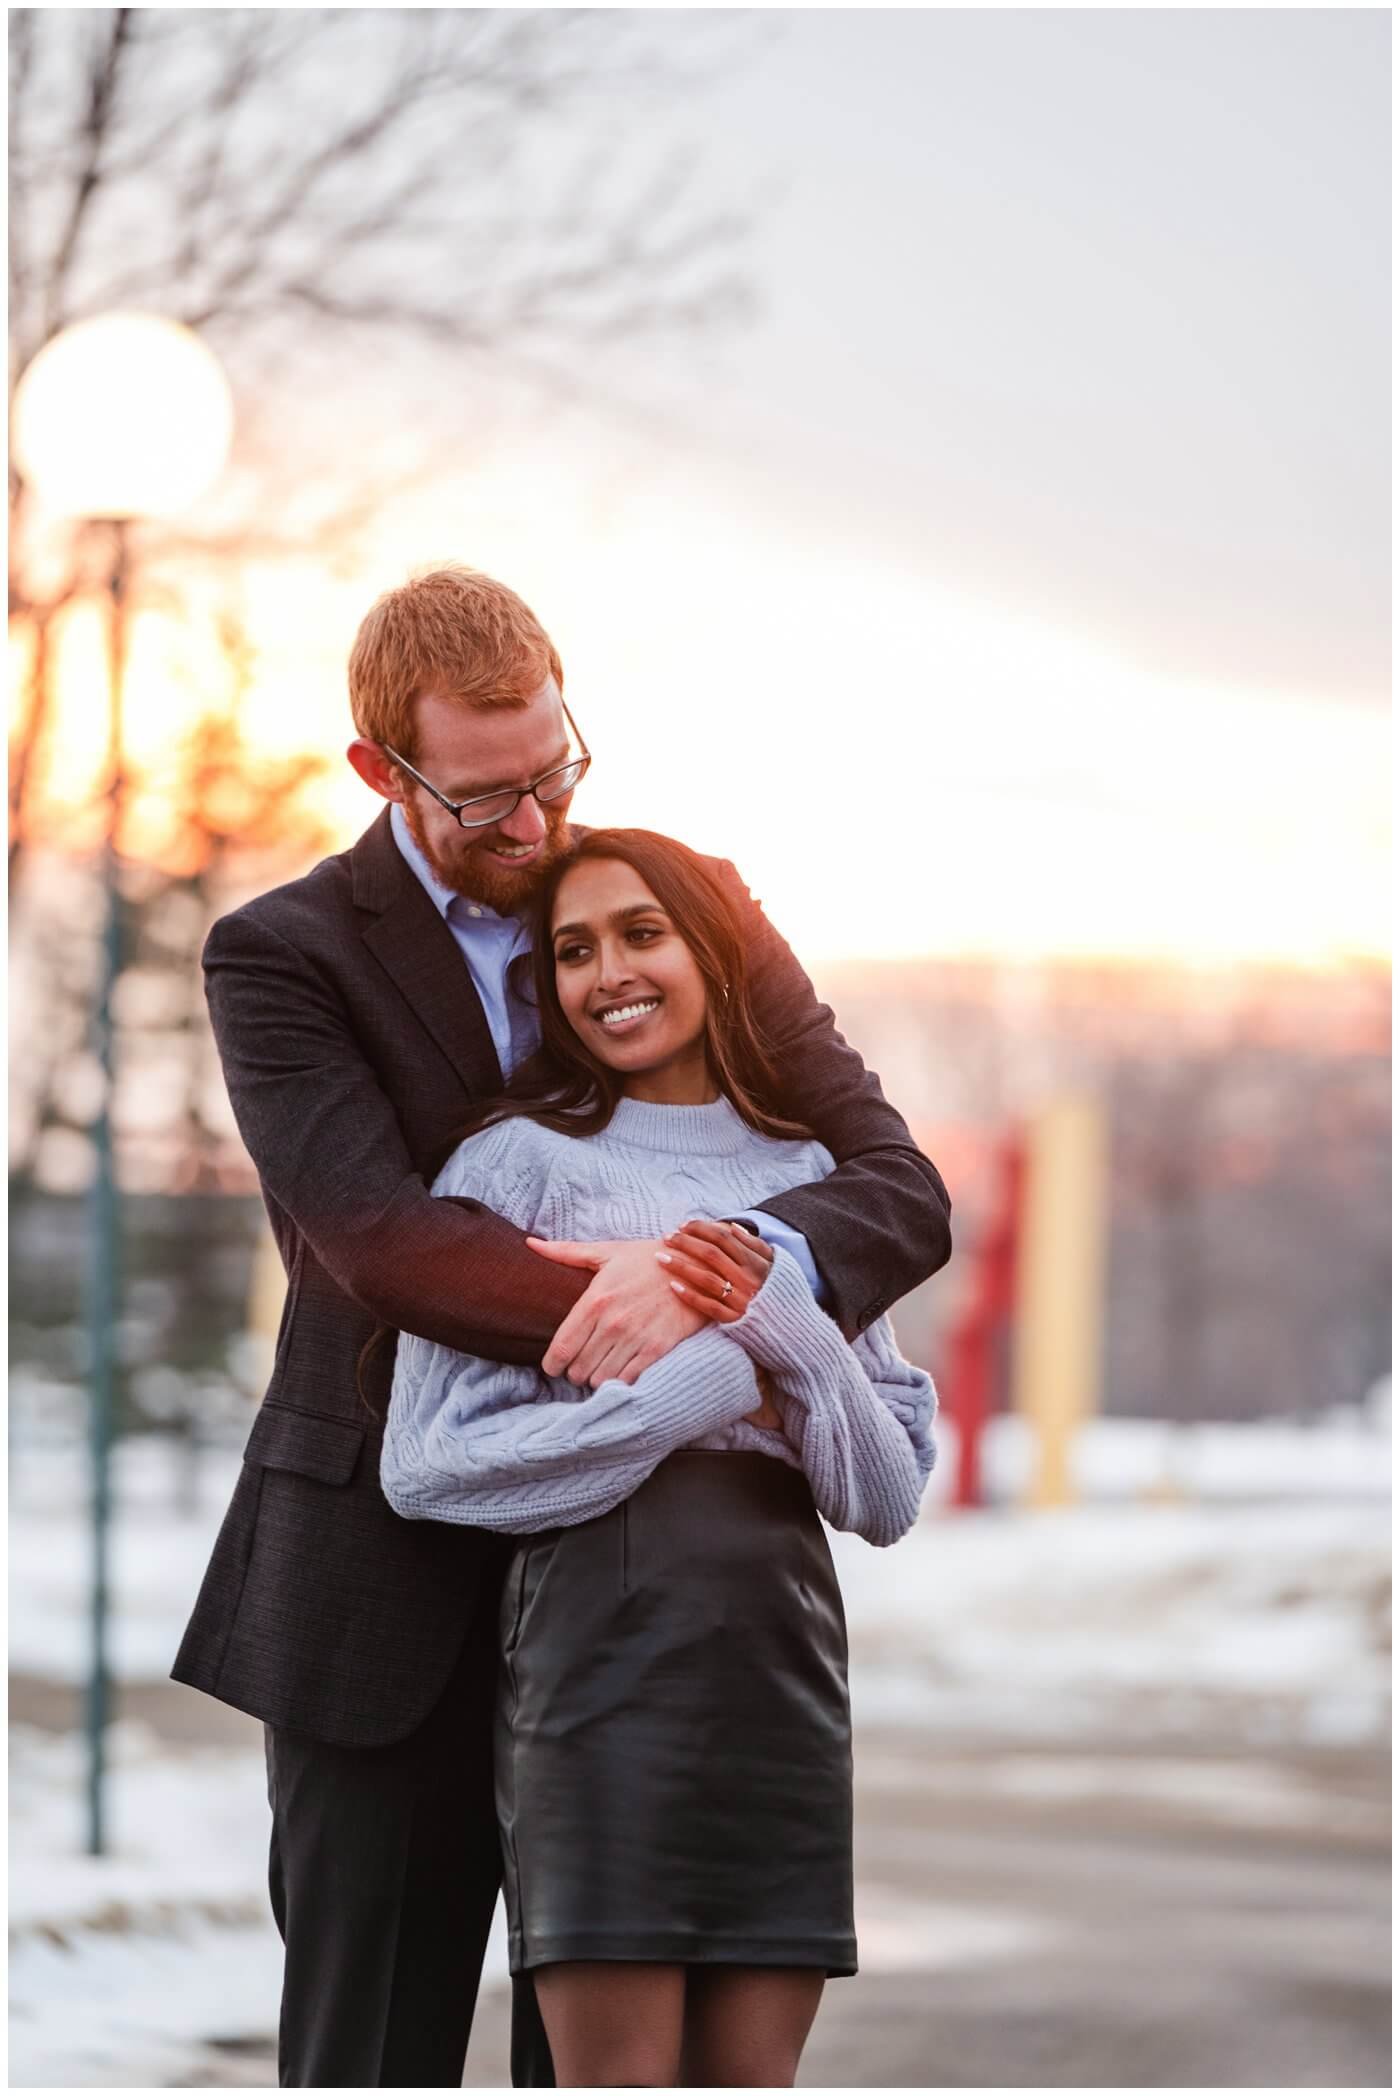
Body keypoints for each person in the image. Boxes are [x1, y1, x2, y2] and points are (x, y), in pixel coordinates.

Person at [172, 565, 952, 2089]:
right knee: (369, 2051)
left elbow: (891, 1187)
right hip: (385, 1584)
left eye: (554, 775)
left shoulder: (675, 906)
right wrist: (668, 1303)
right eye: (485, 801)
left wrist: (724, 1267)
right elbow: (378, 1242)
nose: (533, 828)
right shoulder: (284, 956)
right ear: (382, 772)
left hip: (644, 1621)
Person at [380, 827, 938, 2088]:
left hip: (780, 1666)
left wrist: (773, 1313)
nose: (607, 971)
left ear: (710, 949)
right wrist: (714, 1375)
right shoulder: (515, 1164)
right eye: (571, 949)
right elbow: (427, 1462)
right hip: (593, 1667)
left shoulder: (809, 1177)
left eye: (642, 932)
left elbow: (887, 1486)